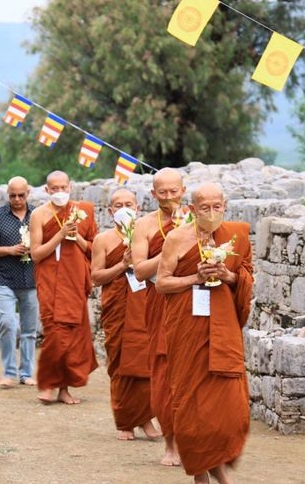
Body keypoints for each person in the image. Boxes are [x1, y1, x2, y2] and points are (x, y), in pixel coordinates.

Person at [156, 183, 252, 484]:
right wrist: (194, 278)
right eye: (204, 208)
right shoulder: (177, 238)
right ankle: (204, 477)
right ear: (192, 208)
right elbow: (161, 283)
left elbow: (247, 278)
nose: (211, 213)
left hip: (224, 329)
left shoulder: (236, 235)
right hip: (188, 328)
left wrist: (229, 276)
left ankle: (218, 465)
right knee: (192, 408)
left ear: (225, 205)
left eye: (217, 207)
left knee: (233, 413)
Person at [130, 167, 188, 466]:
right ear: (153, 194)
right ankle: (170, 444)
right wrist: (171, 244)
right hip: (160, 303)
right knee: (164, 373)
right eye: (162, 193)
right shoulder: (144, 225)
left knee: (193, 373)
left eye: (173, 192)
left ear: (183, 190)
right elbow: (139, 270)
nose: (168, 198)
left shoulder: (197, 220)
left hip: (192, 301)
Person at [90, 188, 159, 440]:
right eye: (118, 205)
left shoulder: (148, 236)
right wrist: (122, 264)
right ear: (110, 211)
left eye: (128, 204)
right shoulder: (103, 240)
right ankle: (125, 421)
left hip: (144, 304)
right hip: (117, 307)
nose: (124, 208)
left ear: (138, 207)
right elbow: (96, 278)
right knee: (120, 363)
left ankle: (146, 418)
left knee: (146, 361)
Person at [30, 170, 98, 404]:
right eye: (54, 189)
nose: (59, 192)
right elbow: (36, 254)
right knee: (56, 334)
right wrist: (60, 234)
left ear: (71, 187)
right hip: (50, 280)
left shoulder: (83, 212)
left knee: (74, 337)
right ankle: (47, 384)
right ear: (47, 190)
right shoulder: (39, 215)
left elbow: (93, 248)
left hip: (74, 280)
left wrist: (76, 236)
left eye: (63, 188)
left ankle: (64, 389)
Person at [0, 176, 40, 389]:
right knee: (6, 323)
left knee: (30, 330)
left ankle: (26, 372)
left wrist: (35, 250)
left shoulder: (38, 215)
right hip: (5, 278)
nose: (16, 199)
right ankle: (8, 371)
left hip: (32, 278)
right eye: (12, 195)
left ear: (28, 193)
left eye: (20, 195)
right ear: (8, 194)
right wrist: (9, 250)